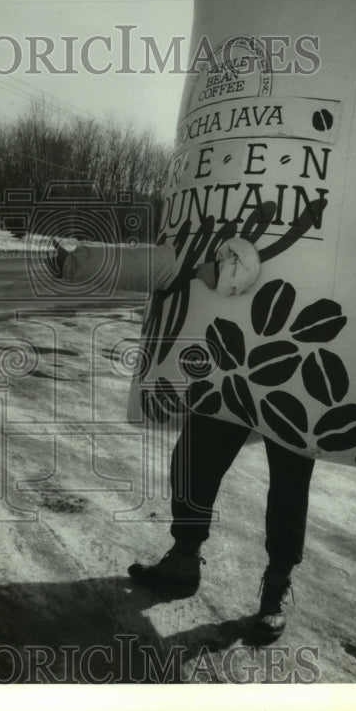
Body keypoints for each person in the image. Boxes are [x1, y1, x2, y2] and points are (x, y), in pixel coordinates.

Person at [51, 236, 312, 643]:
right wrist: (83, 262)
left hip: (296, 357)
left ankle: (276, 587)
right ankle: (184, 560)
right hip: (229, 355)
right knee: (193, 459)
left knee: (290, 478)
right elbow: (170, 262)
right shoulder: (233, 205)